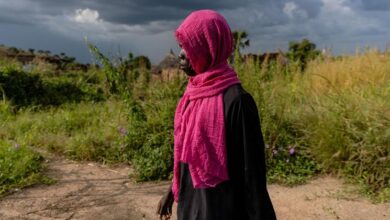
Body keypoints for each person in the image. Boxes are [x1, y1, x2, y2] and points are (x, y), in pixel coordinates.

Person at [156, 9, 276, 220]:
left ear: (210, 46)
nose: (182, 54)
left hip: (224, 210)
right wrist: (172, 191)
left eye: (191, 46)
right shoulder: (190, 96)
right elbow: (187, 154)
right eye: (181, 46)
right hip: (190, 207)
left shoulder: (238, 102)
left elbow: (252, 175)